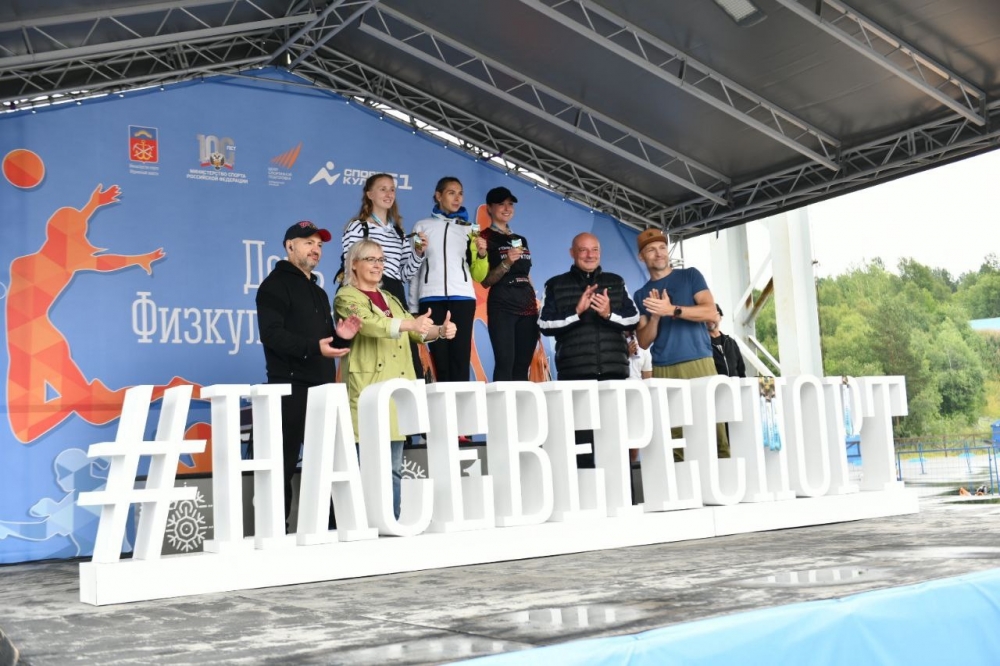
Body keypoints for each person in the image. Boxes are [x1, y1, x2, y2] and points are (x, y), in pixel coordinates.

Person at [334, 239, 456, 519]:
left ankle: (392, 523)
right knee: (365, 467)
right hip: (367, 392)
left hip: (396, 394)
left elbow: (415, 332)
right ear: (354, 264)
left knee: (394, 469)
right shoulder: (346, 296)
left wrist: (440, 330)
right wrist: (411, 323)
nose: (378, 265)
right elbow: (369, 325)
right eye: (371, 259)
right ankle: (363, 526)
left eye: (381, 260)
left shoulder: (390, 297)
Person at [256, 220, 362, 530]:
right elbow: (271, 335)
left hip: (322, 389)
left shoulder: (318, 291)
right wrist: (314, 348)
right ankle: (275, 533)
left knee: (328, 464)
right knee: (282, 463)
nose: (316, 249)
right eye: (308, 242)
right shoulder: (274, 285)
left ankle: (330, 531)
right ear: (290, 246)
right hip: (288, 388)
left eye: (319, 244)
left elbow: (326, 344)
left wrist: (341, 337)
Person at [538, 232, 639, 467]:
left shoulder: (616, 281)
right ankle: (582, 490)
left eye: (594, 249)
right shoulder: (555, 284)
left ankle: (622, 491)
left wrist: (608, 313)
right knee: (580, 449)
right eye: (583, 250)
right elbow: (544, 324)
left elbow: (634, 318)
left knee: (617, 447)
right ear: (572, 253)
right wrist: (576, 312)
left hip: (614, 376)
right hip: (575, 377)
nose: (589, 255)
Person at [633, 228, 729, 457]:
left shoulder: (690, 276)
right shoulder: (641, 294)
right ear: (641, 257)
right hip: (663, 367)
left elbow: (710, 312)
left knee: (713, 429)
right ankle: (680, 480)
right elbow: (643, 342)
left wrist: (671, 309)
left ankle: (724, 476)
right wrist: (656, 316)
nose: (659, 253)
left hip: (699, 361)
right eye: (651, 250)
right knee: (674, 438)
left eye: (662, 247)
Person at [341, 173, 427, 381]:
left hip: (394, 292)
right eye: (382, 189)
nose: (389, 194)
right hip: (368, 291)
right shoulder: (359, 226)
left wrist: (418, 253)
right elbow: (350, 262)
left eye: (392, 189)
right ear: (369, 194)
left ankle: (409, 394)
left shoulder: (398, 231)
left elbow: (404, 274)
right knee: (376, 346)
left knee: (407, 347)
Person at [410, 176, 488, 382]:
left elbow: (479, 274)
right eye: (451, 193)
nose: (457, 198)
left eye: (460, 193)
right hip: (430, 299)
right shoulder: (421, 226)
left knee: (461, 358)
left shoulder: (470, 229)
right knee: (439, 360)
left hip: (463, 299)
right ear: (438, 196)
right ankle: (440, 401)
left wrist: (482, 254)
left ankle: (461, 402)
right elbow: (415, 268)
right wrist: (413, 307)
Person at [477, 186, 539, 381]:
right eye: (501, 204)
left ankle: (521, 402)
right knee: (505, 363)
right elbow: (485, 281)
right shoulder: (483, 238)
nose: (507, 208)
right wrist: (507, 262)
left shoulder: (520, 239)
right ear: (489, 208)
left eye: (510, 204)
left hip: (527, 304)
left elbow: (527, 272)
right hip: (503, 304)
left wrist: (535, 299)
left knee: (522, 365)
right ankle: (501, 402)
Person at [709, 304, 746, 378]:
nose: (709, 318)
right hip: (716, 385)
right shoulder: (702, 345)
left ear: (720, 317)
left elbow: (741, 371)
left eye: (713, 314)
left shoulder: (731, 342)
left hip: (735, 385)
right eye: (706, 315)